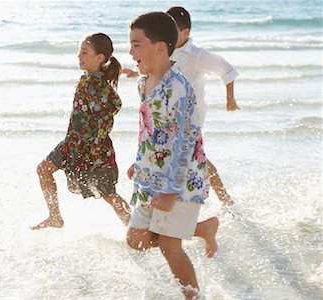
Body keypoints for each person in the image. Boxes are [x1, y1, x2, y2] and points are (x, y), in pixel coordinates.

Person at [126, 12, 212, 299]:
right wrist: (139, 163)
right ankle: (201, 228)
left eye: (137, 44)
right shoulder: (143, 83)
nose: (130, 51)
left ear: (159, 47)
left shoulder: (178, 88)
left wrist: (172, 191)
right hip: (152, 175)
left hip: (182, 179)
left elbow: (185, 143)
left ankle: (194, 297)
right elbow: (150, 129)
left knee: (169, 246)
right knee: (136, 239)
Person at [123, 6, 239, 205]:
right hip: (165, 113)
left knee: (193, 155)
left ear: (185, 33)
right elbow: (151, 70)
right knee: (181, 155)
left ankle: (221, 198)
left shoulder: (197, 55)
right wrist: (136, 73)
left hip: (188, 114)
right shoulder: (160, 54)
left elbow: (227, 71)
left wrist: (230, 99)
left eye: (173, 30)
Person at [31, 33, 131, 230]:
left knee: (109, 194)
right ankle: (54, 217)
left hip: (93, 150)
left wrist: (91, 144)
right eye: (79, 52)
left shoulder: (97, 86)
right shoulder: (90, 80)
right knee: (43, 170)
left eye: (84, 52)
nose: (79, 56)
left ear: (99, 58)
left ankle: (135, 226)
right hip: (73, 144)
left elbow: (112, 106)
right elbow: (112, 101)